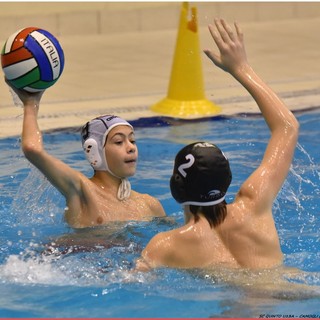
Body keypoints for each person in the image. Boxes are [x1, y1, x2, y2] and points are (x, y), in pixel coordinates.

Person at [136, 18, 299, 271]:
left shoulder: (165, 245)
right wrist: (241, 68)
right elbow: (287, 127)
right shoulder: (254, 203)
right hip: (295, 297)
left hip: (238, 310)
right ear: (227, 179)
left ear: (176, 189)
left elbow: (132, 288)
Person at [6, 82, 166, 229]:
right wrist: (30, 104)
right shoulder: (81, 190)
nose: (131, 148)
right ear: (94, 150)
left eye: (132, 140)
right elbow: (32, 149)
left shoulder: (149, 205)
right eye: (119, 142)